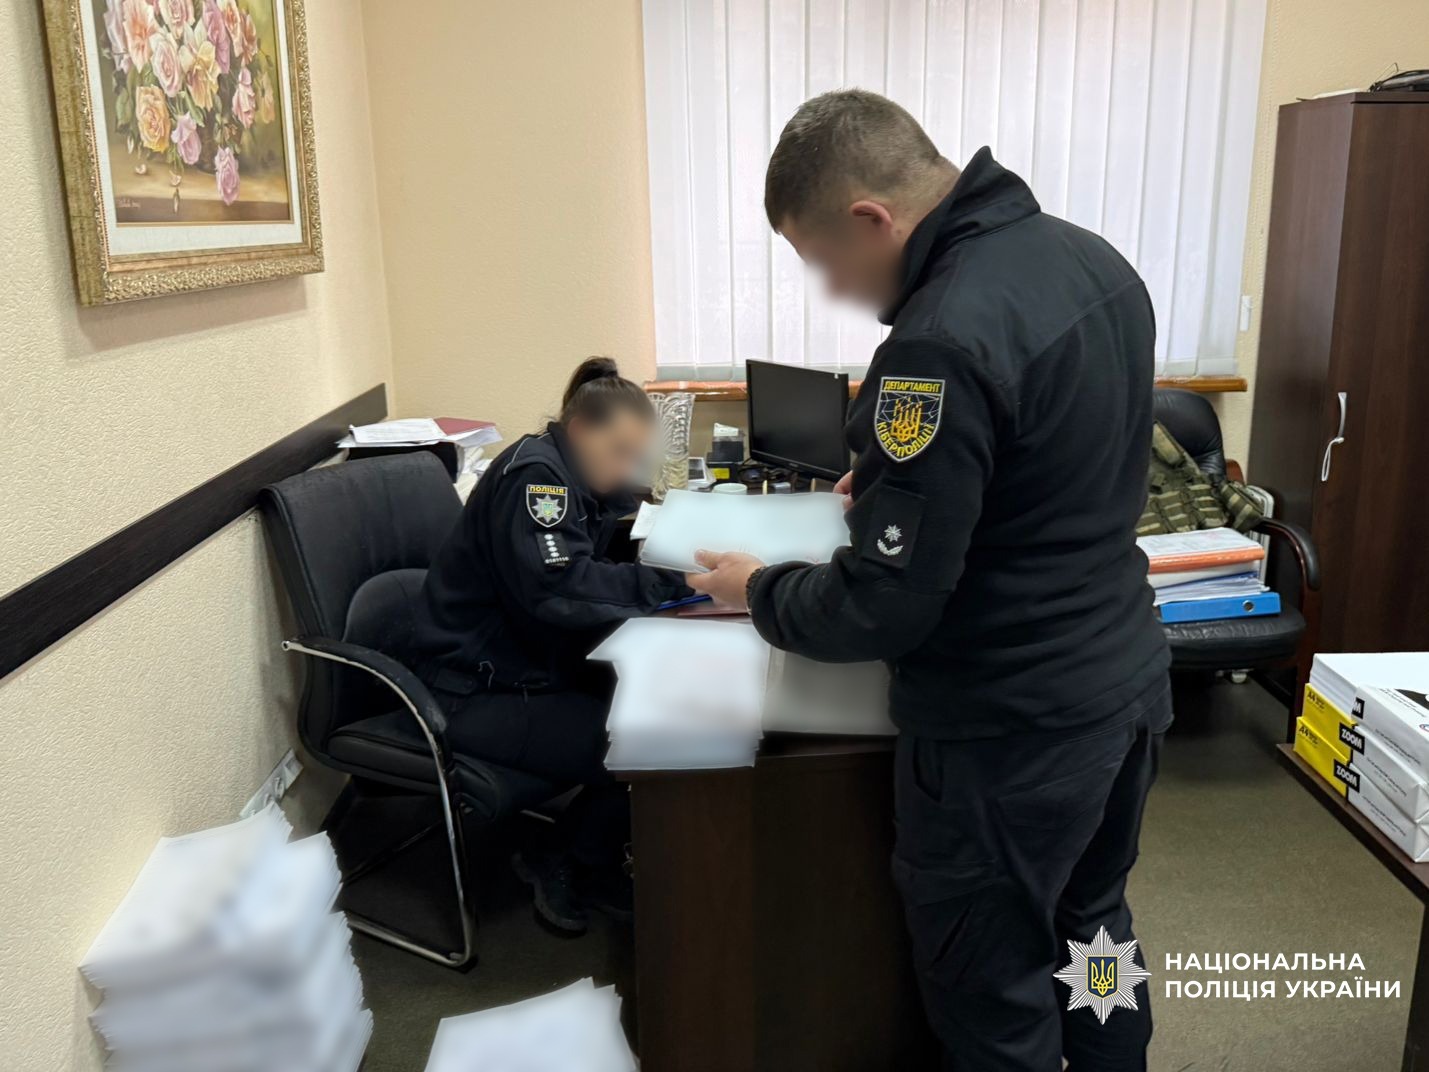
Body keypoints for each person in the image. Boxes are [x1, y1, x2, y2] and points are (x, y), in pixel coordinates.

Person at [689, 90, 1172, 1071]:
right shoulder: (1093, 261)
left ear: (872, 217)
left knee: (992, 987)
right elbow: (1053, 470)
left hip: (1010, 736)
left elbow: (883, 605)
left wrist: (758, 589)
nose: (833, 289)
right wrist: (906, 487)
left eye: (824, 261)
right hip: (1123, 693)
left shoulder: (935, 340)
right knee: (1093, 933)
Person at [410, 357, 691, 936]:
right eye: (619, 452)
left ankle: (592, 848)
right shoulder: (536, 480)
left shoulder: (566, 467)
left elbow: (607, 518)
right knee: (652, 739)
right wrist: (675, 581)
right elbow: (560, 585)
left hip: (525, 659)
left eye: (634, 456)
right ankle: (562, 856)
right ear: (581, 429)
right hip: (471, 688)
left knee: (673, 701)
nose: (625, 467)